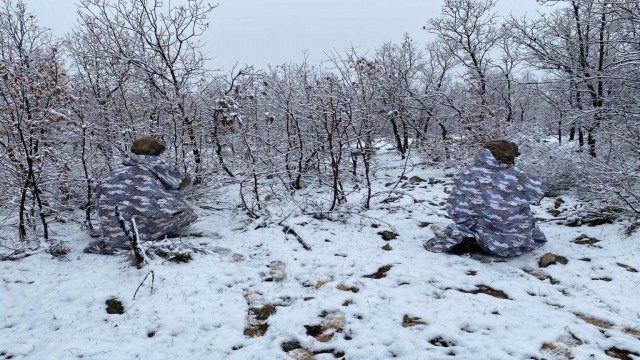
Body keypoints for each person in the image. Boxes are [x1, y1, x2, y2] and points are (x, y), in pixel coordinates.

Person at [423, 140, 546, 257]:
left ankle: (475, 238)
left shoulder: (465, 173)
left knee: (469, 216)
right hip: (518, 238)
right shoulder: (519, 174)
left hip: (481, 228)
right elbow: (538, 195)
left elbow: (453, 206)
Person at [84, 137, 198, 254]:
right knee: (188, 213)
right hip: (146, 221)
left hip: (113, 230)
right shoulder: (156, 164)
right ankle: (149, 232)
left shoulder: (116, 170)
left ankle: (133, 234)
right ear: (155, 151)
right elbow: (184, 181)